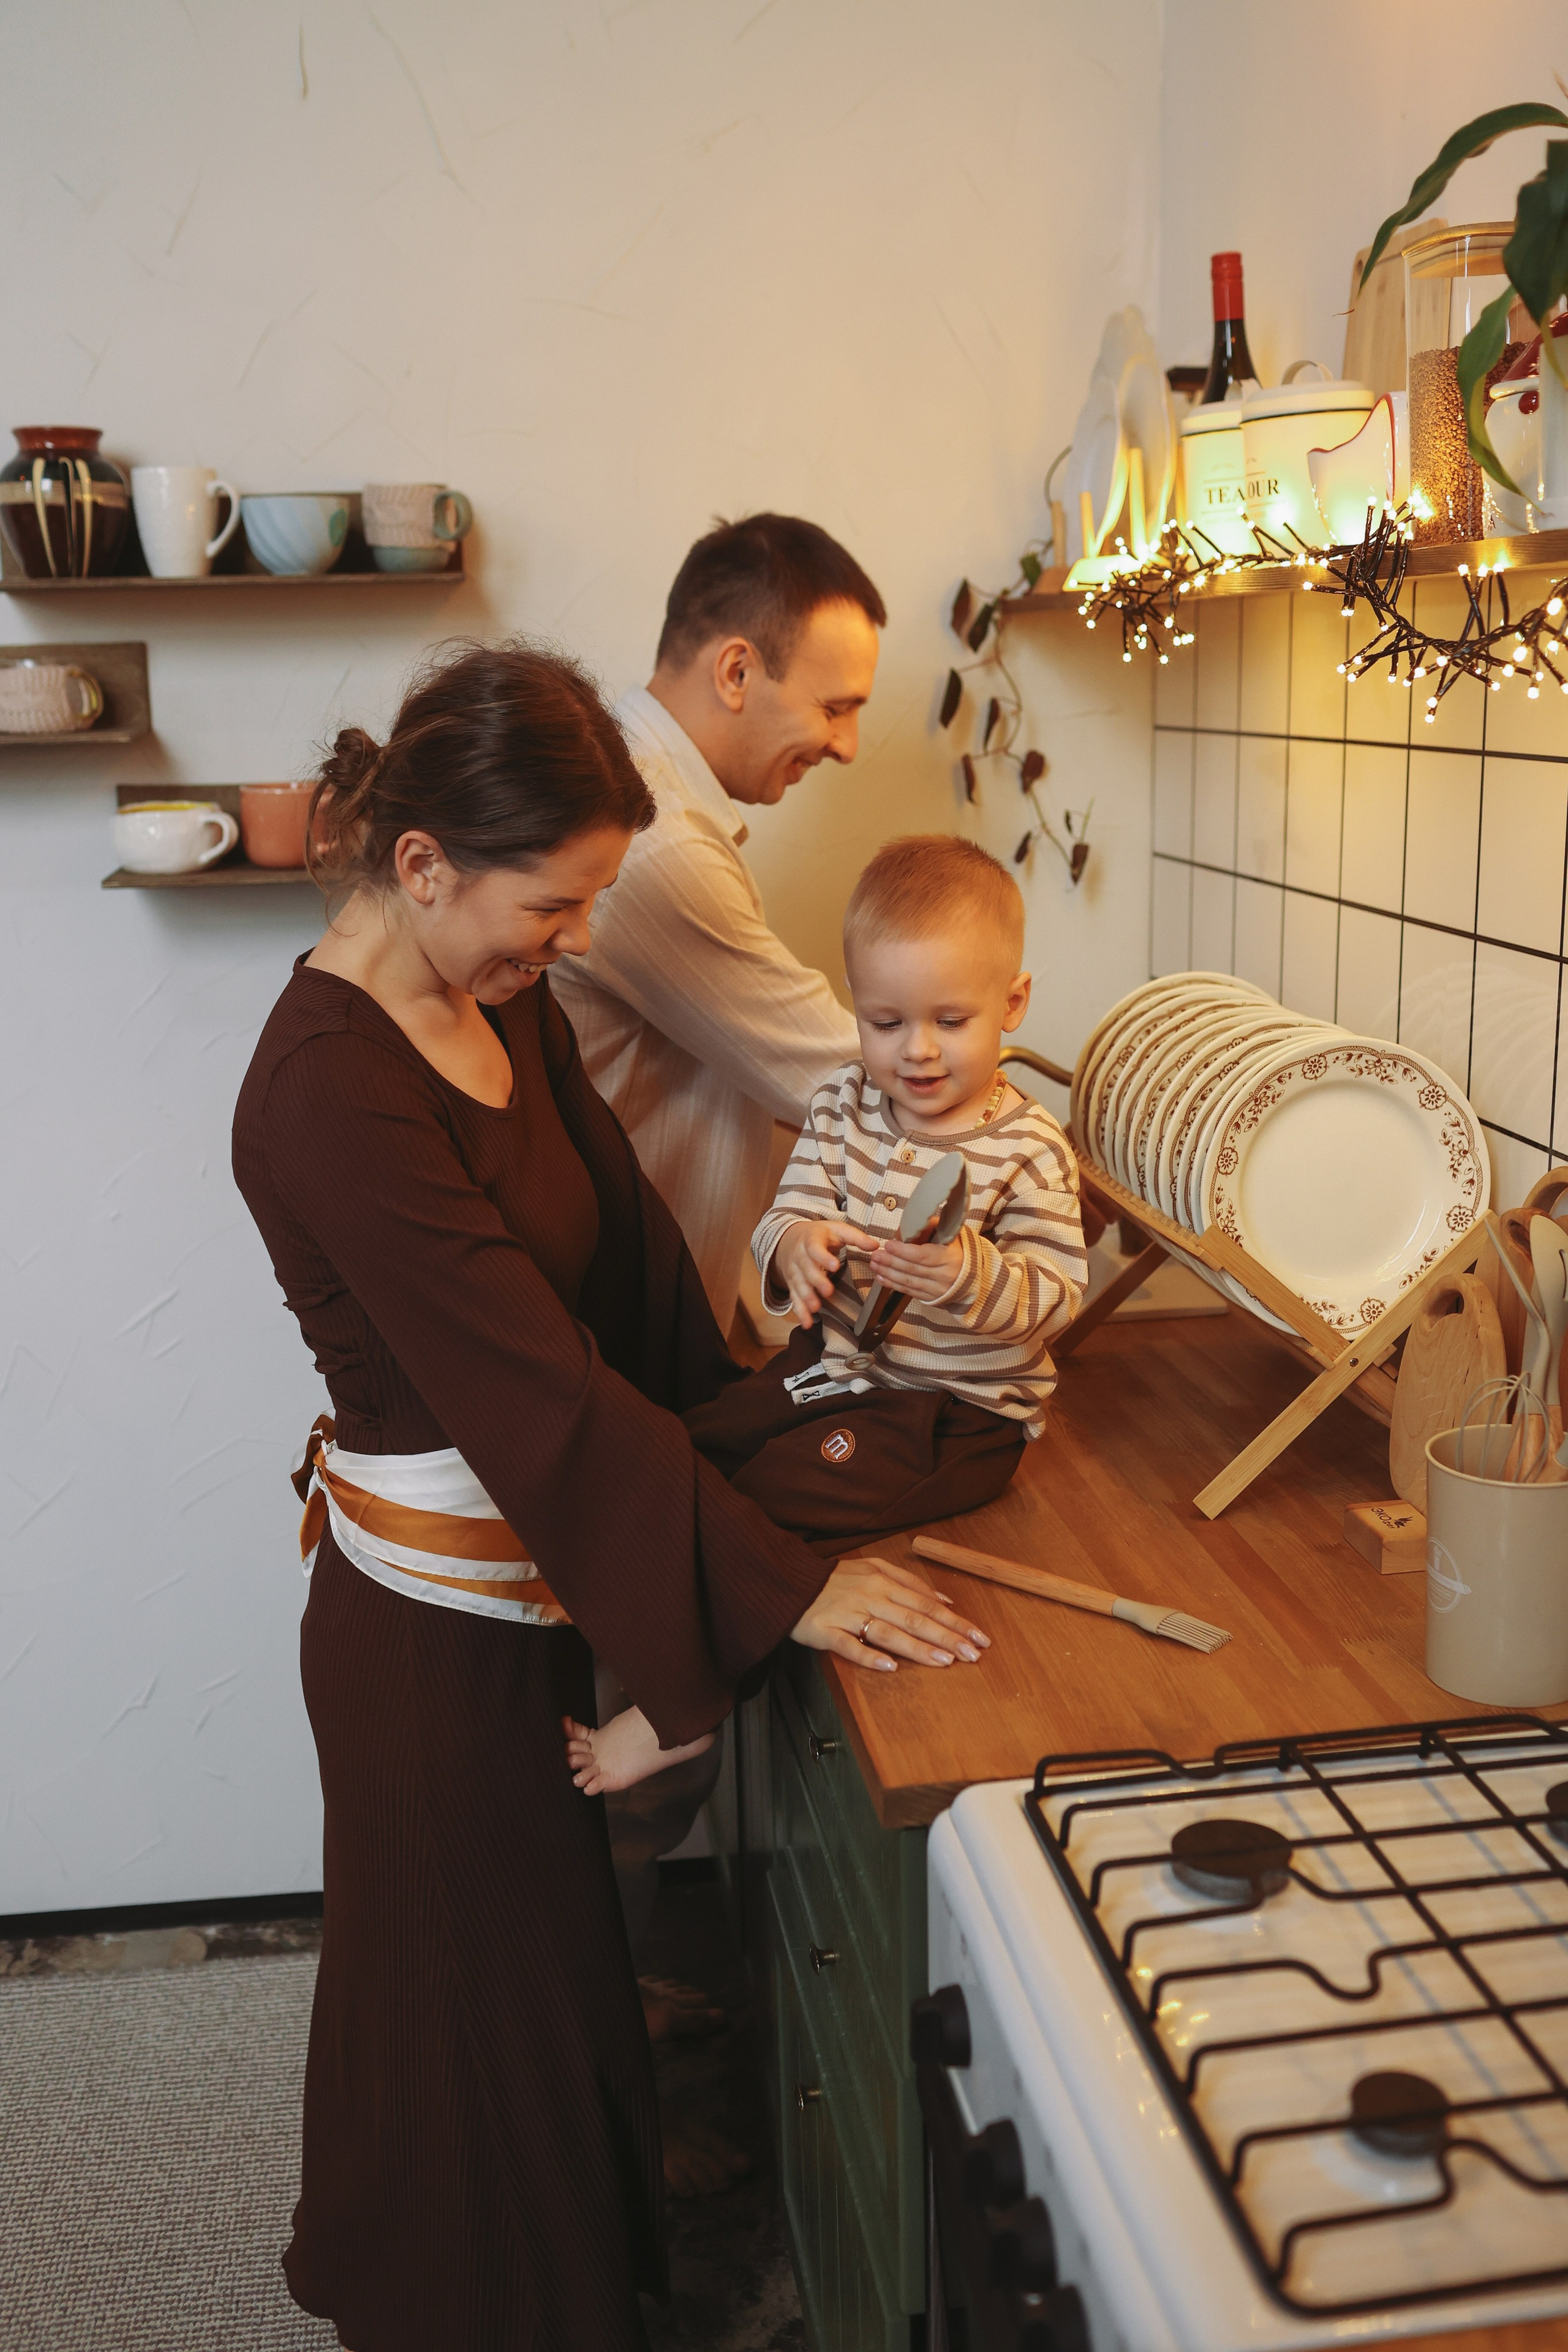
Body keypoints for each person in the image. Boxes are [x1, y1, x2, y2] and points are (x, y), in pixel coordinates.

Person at [230, 644, 991, 2352]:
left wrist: (774, 1396)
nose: (572, 944)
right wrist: (780, 1580)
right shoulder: (324, 1089)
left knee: (555, 1978)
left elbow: (632, 1271)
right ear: (422, 866)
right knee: (468, 2002)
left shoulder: (500, 1001)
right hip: (425, 1639)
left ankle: (581, 2243)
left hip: (524, 1593)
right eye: (553, 906)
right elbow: (534, 1382)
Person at [564, 835, 1087, 1799]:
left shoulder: (1030, 1148)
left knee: (765, 1511)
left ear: (1012, 1005)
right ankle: (650, 1653)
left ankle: (689, 1709)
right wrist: (794, 1246)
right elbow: (784, 1214)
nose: (916, 1050)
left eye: (951, 1020)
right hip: (831, 1371)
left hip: (950, 1417)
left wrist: (967, 1274)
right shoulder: (845, 1103)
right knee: (674, 1455)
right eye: (886, 1021)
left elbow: (1055, 1299)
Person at [549, 513, 880, 1988]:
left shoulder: (650, 808)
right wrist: (1056, 1156)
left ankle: (612, 2049)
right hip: (629, 1352)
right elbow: (850, 1081)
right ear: (736, 667)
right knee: (636, 1753)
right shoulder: (662, 850)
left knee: (638, 1744)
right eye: (837, 704)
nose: (851, 747)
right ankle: (604, 2092)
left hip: (648, 1337)